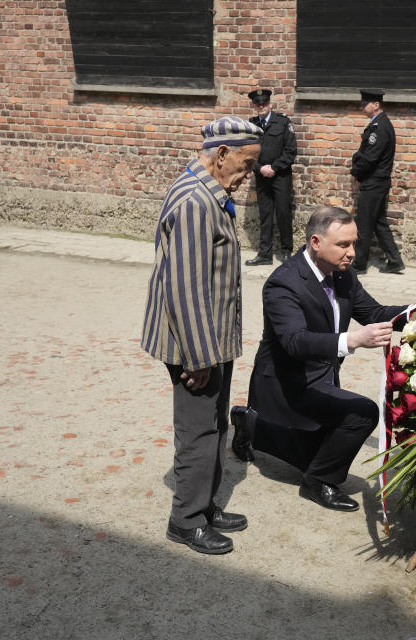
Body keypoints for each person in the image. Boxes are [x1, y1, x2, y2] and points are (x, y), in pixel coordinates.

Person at [230, 206, 407, 512]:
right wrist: (352, 340)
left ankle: (251, 425)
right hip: (286, 386)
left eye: (354, 243)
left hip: (320, 380)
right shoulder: (283, 283)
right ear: (315, 242)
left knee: (316, 447)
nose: (352, 253)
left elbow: (376, 314)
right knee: (363, 413)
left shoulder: (343, 276)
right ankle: (319, 482)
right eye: (343, 245)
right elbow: (294, 342)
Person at [140, 116, 262, 555]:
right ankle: (185, 520)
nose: (247, 177)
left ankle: (205, 505)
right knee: (198, 429)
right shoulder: (196, 201)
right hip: (196, 343)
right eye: (246, 165)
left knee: (213, 423)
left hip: (211, 337)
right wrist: (198, 358)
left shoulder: (208, 191)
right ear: (222, 154)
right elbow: (186, 288)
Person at [350, 89, 405, 275]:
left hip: (373, 182)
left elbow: (370, 158)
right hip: (378, 182)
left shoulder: (379, 127)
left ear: (376, 104)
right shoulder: (378, 125)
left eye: (365, 103)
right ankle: (395, 261)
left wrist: (356, 172)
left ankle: (358, 264)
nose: (362, 107)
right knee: (378, 222)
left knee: (364, 224)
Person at [245, 88, 298, 266]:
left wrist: (274, 168)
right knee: (265, 215)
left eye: (264, 103)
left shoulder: (282, 122)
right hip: (261, 177)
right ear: (254, 105)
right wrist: (260, 169)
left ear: (270, 103)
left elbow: (291, 151)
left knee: (283, 213)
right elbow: (247, 153)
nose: (261, 106)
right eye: (258, 104)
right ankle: (264, 254)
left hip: (281, 176)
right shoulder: (251, 126)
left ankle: (286, 252)